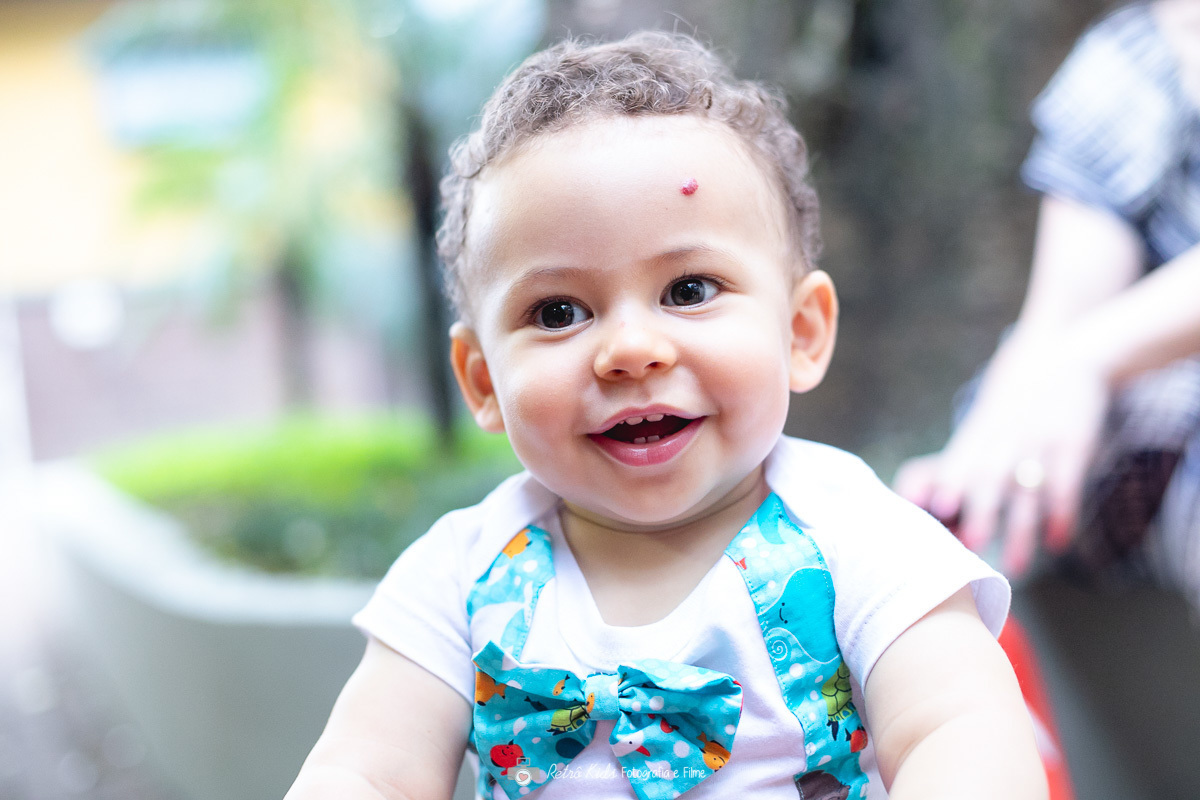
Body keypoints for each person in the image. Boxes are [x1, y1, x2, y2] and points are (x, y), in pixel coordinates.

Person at [285, 32, 1045, 800]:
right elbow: (366, 770)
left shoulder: (863, 542)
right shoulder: (460, 576)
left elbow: (962, 730)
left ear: (800, 332)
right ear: (483, 380)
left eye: (688, 291)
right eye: (558, 311)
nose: (630, 349)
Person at [894, 2, 1200, 595]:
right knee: (987, 469)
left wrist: (1087, 357)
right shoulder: (1132, 59)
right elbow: (1056, 322)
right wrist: (978, 460)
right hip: (1151, 422)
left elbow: (1082, 349)